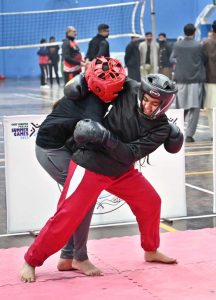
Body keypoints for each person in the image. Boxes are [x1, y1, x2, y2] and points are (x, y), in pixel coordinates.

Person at [20, 59, 183, 282]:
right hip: (90, 163)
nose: (147, 105)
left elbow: (129, 154)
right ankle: (31, 260)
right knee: (67, 215)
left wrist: (104, 137)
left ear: (164, 105)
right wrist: (79, 82)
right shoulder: (130, 88)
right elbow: (104, 78)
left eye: (155, 103)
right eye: (146, 99)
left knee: (150, 201)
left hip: (121, 169)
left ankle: (150, 249)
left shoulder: (161, 129)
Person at [34, 57, 126, 277]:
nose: (116, 89)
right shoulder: (92, 106)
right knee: (83, 197)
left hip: (61, 147)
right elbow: (94, 136)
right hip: (52, 151)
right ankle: (78, 257)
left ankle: (68, 256)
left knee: (82, 199)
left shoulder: (87, 85)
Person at [170, 23, 206, 143]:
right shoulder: (199, 45)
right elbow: (204, 59)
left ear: (184, 31)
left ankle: (177, 131)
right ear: (194, 31)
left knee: (180, 107)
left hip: (180, 79)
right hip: (195, 80)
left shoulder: (177, 44)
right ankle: (189, 134)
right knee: (194, 108)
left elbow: (172, 59)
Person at [202, 20, 216, 138]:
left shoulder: (206, 43)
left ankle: (214, 133)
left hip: (211, 80)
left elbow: (202, 62)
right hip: (211, 80)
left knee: (211, 109)